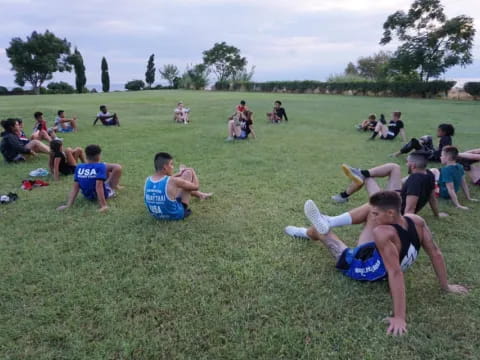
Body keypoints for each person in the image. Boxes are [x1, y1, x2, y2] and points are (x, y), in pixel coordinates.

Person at [284, 192, 469, 336]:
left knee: (323, 234)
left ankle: (306, 231)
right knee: (369, 207)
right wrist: (446, 286)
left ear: (390, 213)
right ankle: (328, 221)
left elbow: (395, 273)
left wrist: (399, 317)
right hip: (378, 252)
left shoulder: (383, 233)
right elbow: (435, 253)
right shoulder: (416, 220)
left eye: (377, 214)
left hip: (368, 268)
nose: (374, 216)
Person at [331, 152, 445, 217]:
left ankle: (344, 195)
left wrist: (403, 226)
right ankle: (361, 173)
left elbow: (409, 209)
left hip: (390, 206)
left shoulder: (415, 180)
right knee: (394, 167)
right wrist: (437, 214)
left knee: (368, 179)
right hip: (397, 196)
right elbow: (432, 197)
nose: (406, 164)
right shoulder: (430, 174)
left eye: (408, 163)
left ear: (413, 166)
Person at [144, 152, 213, 220]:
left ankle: (201, 195)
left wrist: (179, 173)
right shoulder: (173, 181)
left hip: (156, 215)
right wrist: (192, 170)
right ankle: (201, 195)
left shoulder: (148, 180)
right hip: (174, 214)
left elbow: (165, 180)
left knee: (172, 187)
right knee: (188, 173)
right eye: (171, 164)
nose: (173, 167)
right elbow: (196, 186)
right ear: (165, 167)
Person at [57, 144, 123, 212]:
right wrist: (104, 205)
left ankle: (110, 185)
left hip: (87, 195)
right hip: (100, 194)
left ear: (86, 156)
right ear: (99, 155)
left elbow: (75, 188)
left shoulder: (79, 167)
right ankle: (114, 186)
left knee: (103, 174)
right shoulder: (101, 166)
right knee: (109, 173)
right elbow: (99, 187)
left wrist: (68, 205)